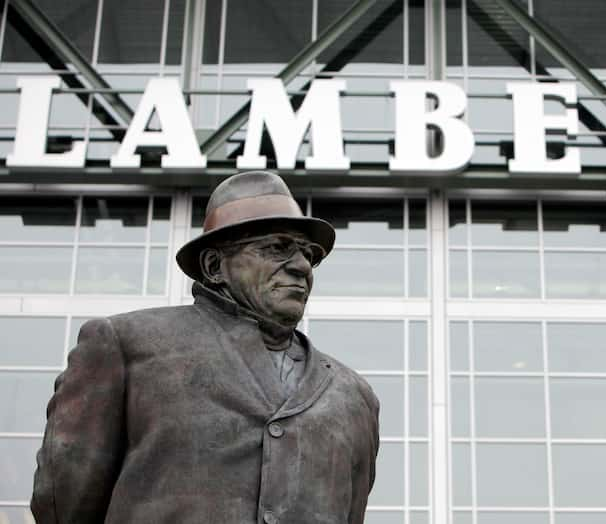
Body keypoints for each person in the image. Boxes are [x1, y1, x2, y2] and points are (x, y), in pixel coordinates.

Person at [30, 171, 380, 524]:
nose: (302, 266)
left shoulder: (354, 397)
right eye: (277, 248)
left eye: (310, 254)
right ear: (215, 266)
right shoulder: (125, 345)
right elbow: (61, 502)